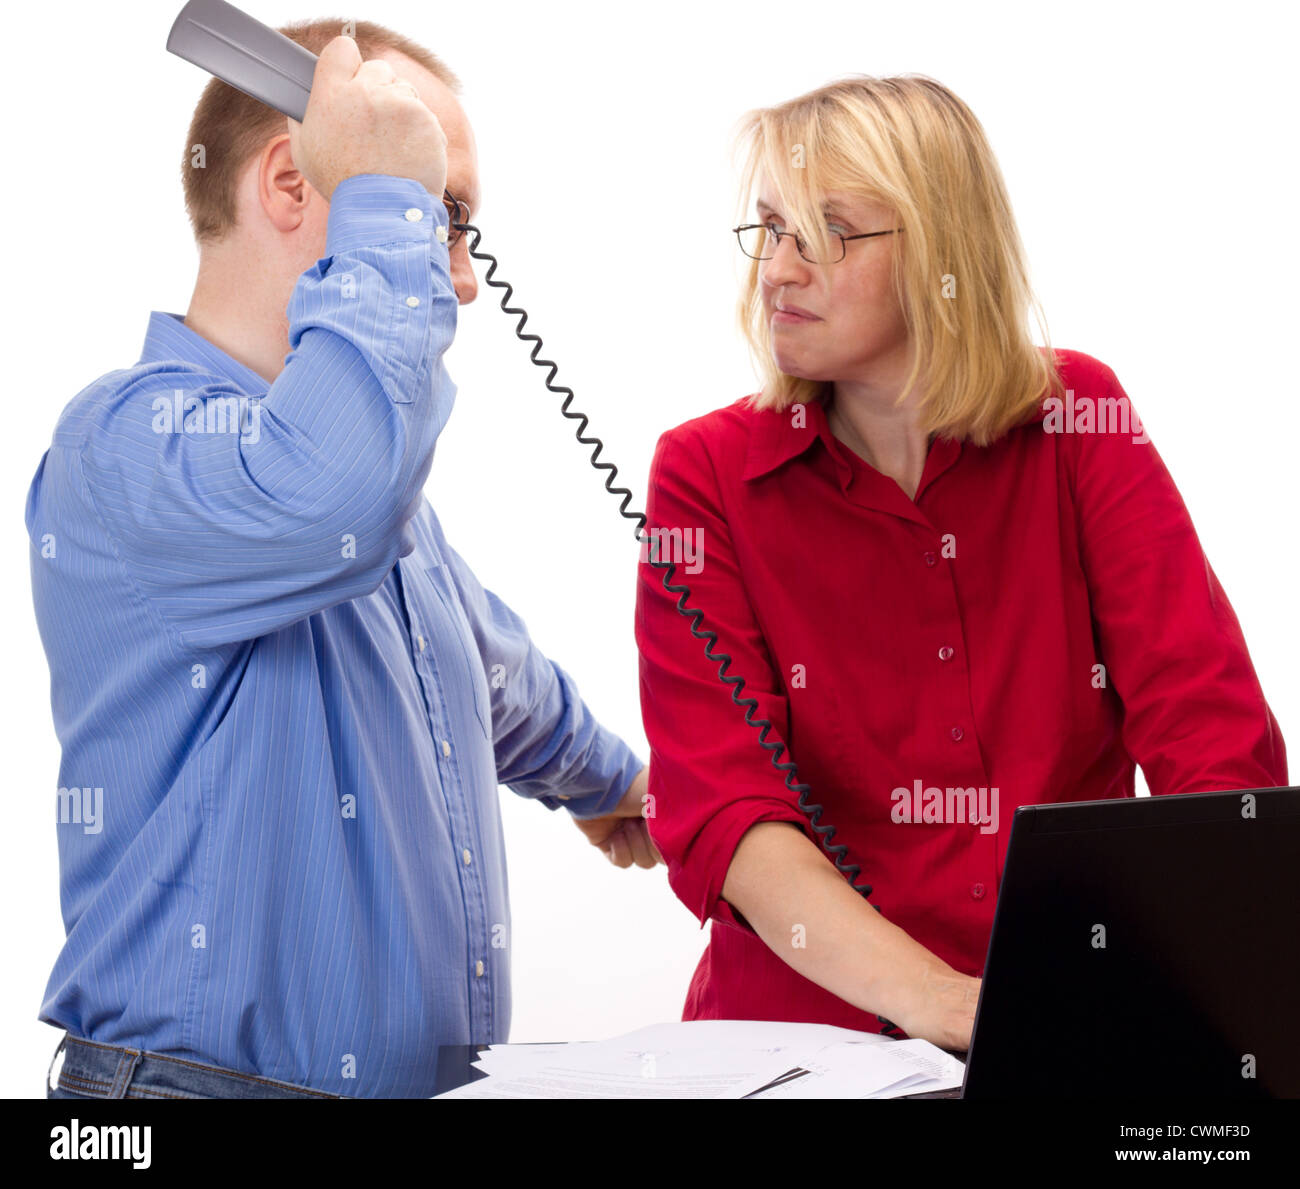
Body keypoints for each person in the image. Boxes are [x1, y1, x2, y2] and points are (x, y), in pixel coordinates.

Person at [28, 19, 659, 1101]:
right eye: (438, 211)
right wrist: (384, 206)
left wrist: (623, 788)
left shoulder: (376, 500)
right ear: (292, 179)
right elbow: (332, 491)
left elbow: (494, 674)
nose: (460, 279)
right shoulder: (126, 445)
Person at [634, 74, 1287, 1053]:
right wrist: (952, 1003)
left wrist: (1211, 997)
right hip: (804, 1045)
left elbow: (1207, 736)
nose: (775, 270)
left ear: (939, 248)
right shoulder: (704, 475)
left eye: (825, 233)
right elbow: (726, 809)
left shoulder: (1077, 417)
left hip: (1076, 1013)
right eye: (768, 229)